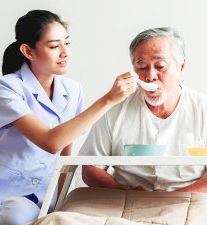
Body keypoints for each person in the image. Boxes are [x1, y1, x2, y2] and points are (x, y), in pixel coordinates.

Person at [0, 10, 137, 225]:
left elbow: (65, 151)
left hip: (43, 196)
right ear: (28, 51)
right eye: (55, 46)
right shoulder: (5, 87)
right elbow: (51, 142)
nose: (65, 53)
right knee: (17, 216)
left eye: (67, 43)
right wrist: (109, 99)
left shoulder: (72, 90)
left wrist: (62, 200)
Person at [79, 27, 207, 193]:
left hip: (189, 199)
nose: (150, 76)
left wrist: (178, 195)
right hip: (126, 198)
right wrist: (125, 191)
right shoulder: (115, 108)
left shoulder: (202, 109)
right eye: (142, 67)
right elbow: (90, 168)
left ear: (181, 67)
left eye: (160, 66)